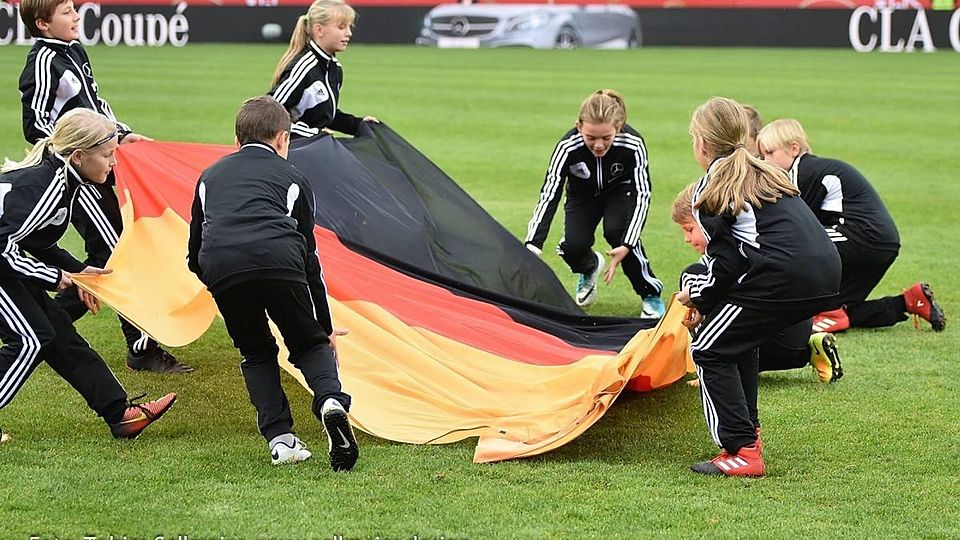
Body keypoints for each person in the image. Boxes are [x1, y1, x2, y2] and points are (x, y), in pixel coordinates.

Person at [17, 0, 192, 373]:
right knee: (118, 254)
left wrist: (120, 136)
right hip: (76, 178)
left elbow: (96, 105)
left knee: (113, 255)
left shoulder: (73, 51)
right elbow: (35, 127)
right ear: (44, 23)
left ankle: (47, 326)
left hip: (93, 167)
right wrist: (81, 153)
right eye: (66, 12)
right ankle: (137, 346)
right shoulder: (44, 63)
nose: (76, 16)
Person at [187, 97, 359, 472]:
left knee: (256, 352)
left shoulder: (209, 176)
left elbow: (194, 252)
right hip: (281, 262)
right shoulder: (294, 179)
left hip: (222, 267)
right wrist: (324, 329)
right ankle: (331, 400)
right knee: (307, 342)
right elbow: (310, 261)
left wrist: (220, 282)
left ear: (237, 139)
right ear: (283, 139)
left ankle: (281, 440)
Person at [678, 97, 842, 477]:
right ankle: (748, 437)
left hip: (782, 276)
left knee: (708, 345)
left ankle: (741, 450)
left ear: (700, 144)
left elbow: (727, 263)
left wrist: (698, 297)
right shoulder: (766, 171)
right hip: (826, 272)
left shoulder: (712, 188)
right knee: (738, 339)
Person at [0, 109, 176, 442]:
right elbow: (3, 248)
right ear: (79, 156)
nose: (114, 163)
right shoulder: (48, 186)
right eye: (109, 155)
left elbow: (34, 240)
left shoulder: (64, 178)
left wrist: (78, 271)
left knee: (58, 334)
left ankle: (121, 415)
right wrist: (57, 277)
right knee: (32, 339)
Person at [757, 119, 945, 333]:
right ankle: (908, 302)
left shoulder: (803, 171)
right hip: (883, 243)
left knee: (796, 246)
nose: (765, 161)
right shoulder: (814, 169)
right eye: (763, 155)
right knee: (835, 309)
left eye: (770, 153)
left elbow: (796, 227)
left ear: (794, 148)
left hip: (861, 237)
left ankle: (770, 306)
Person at [672, 183, 843, 384]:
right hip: (792, 341)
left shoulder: (727, 256)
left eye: (689, 229)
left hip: (761, 342)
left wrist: (698, 298)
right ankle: (809, 347)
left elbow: (719, 279)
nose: (686, 239)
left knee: (693, 277)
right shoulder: (759, 235)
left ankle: (713, 370)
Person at [524, 89, 664, 318]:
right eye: (591, 137)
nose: (598, 145)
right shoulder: (567, 147)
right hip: (582, 196)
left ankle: (650, 293)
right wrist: (533, 244)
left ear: (618, 128)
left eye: (606, 138)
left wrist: (628, 243)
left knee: (618, 232)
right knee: (573, 245)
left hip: (620, 191)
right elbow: (550, 193)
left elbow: (643, 193)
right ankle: (589, 267)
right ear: (579, 127)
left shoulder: (633, 144)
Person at [268, 0, 378, 140]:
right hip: (293, 151)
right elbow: (269, 115)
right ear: (319, 29)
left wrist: (358, 125)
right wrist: (314, 133)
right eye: (341, 27)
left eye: (350, 27)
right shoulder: (305, 67)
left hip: (315, 148)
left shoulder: (335, 68)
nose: (349, 33)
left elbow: (325, 116)